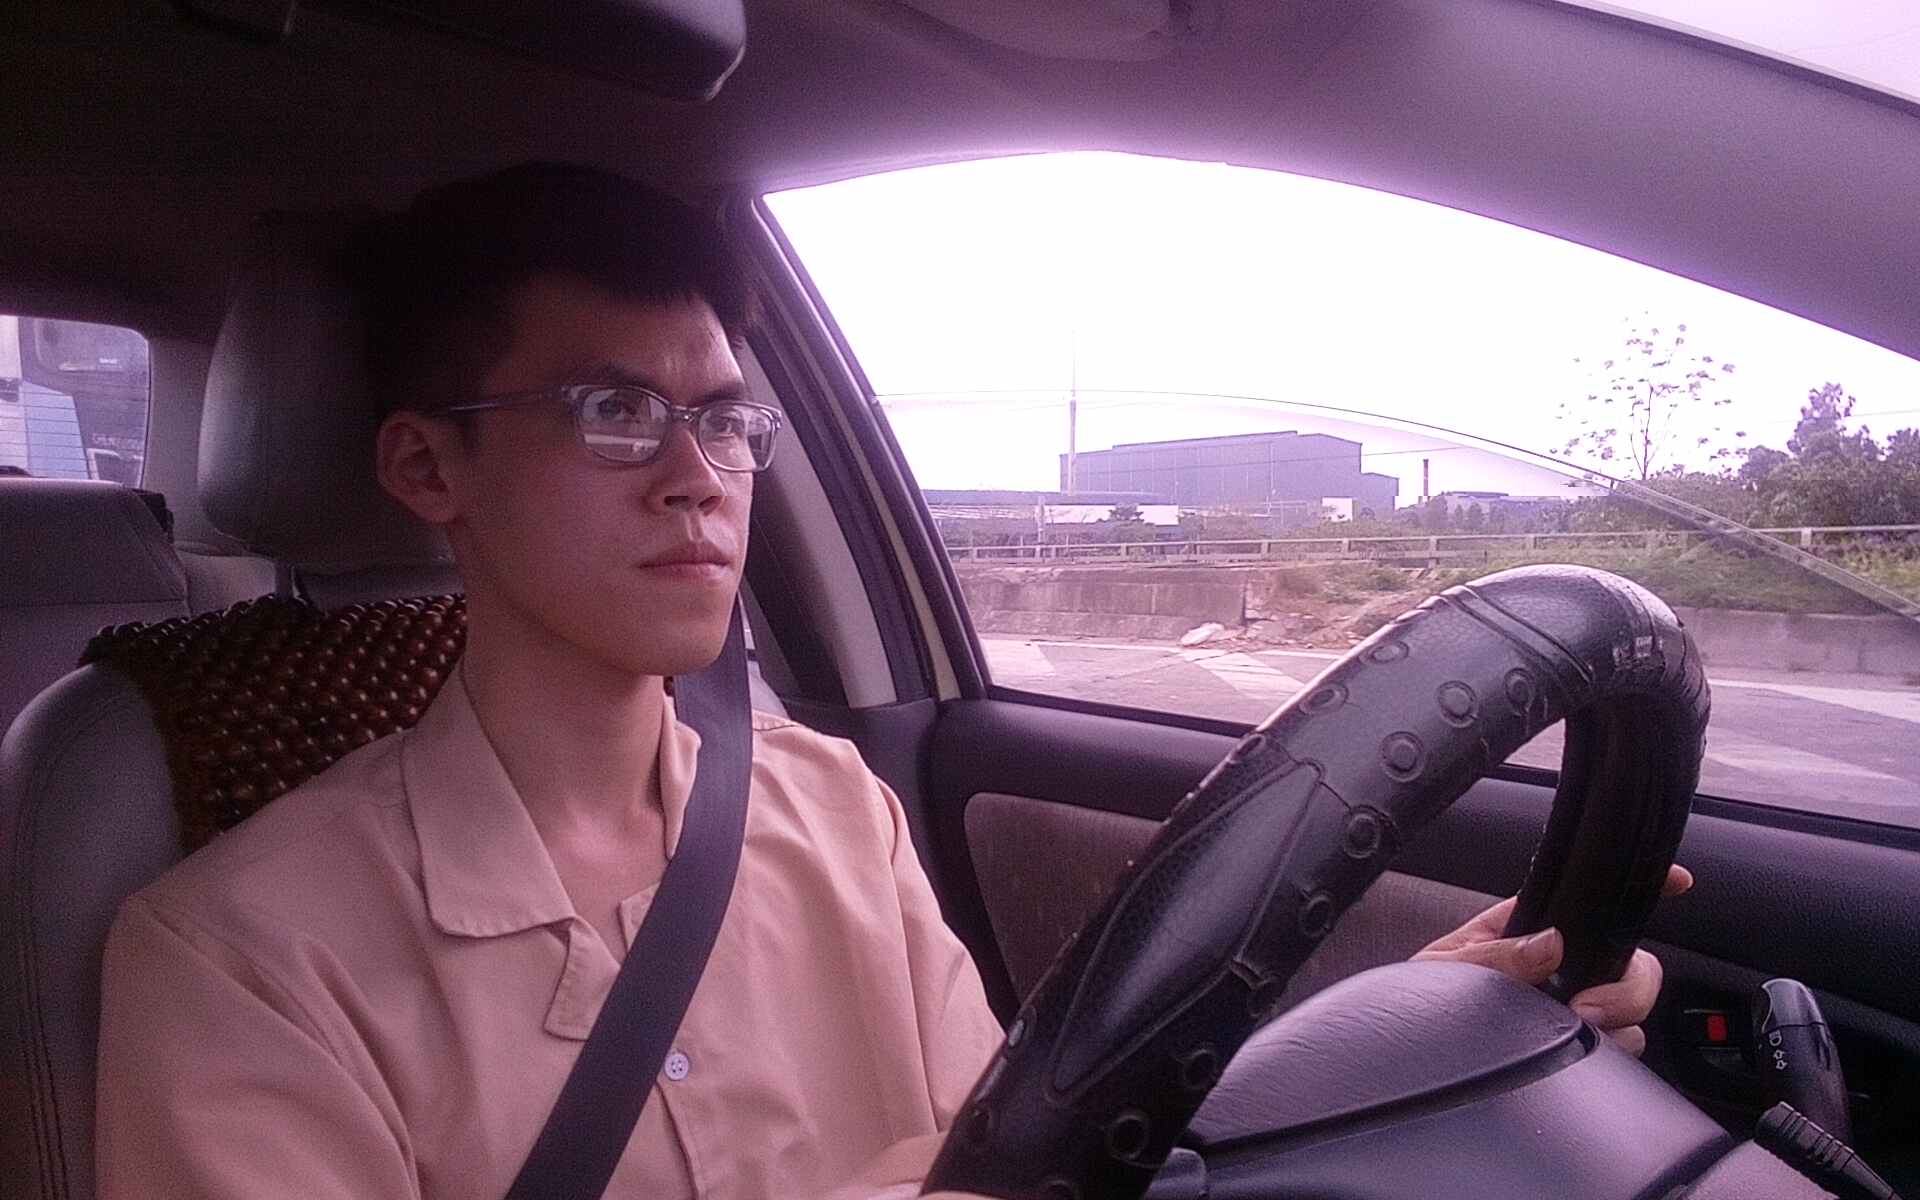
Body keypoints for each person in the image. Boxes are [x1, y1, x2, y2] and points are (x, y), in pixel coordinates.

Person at [94, 163, 1685, 1200]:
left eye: (727, 419)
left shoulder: (824, 807)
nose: (699, 477)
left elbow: (1022, 1147)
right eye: (610, 412)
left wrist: (1391, 1040)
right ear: (426, 466)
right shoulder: (240, 958)